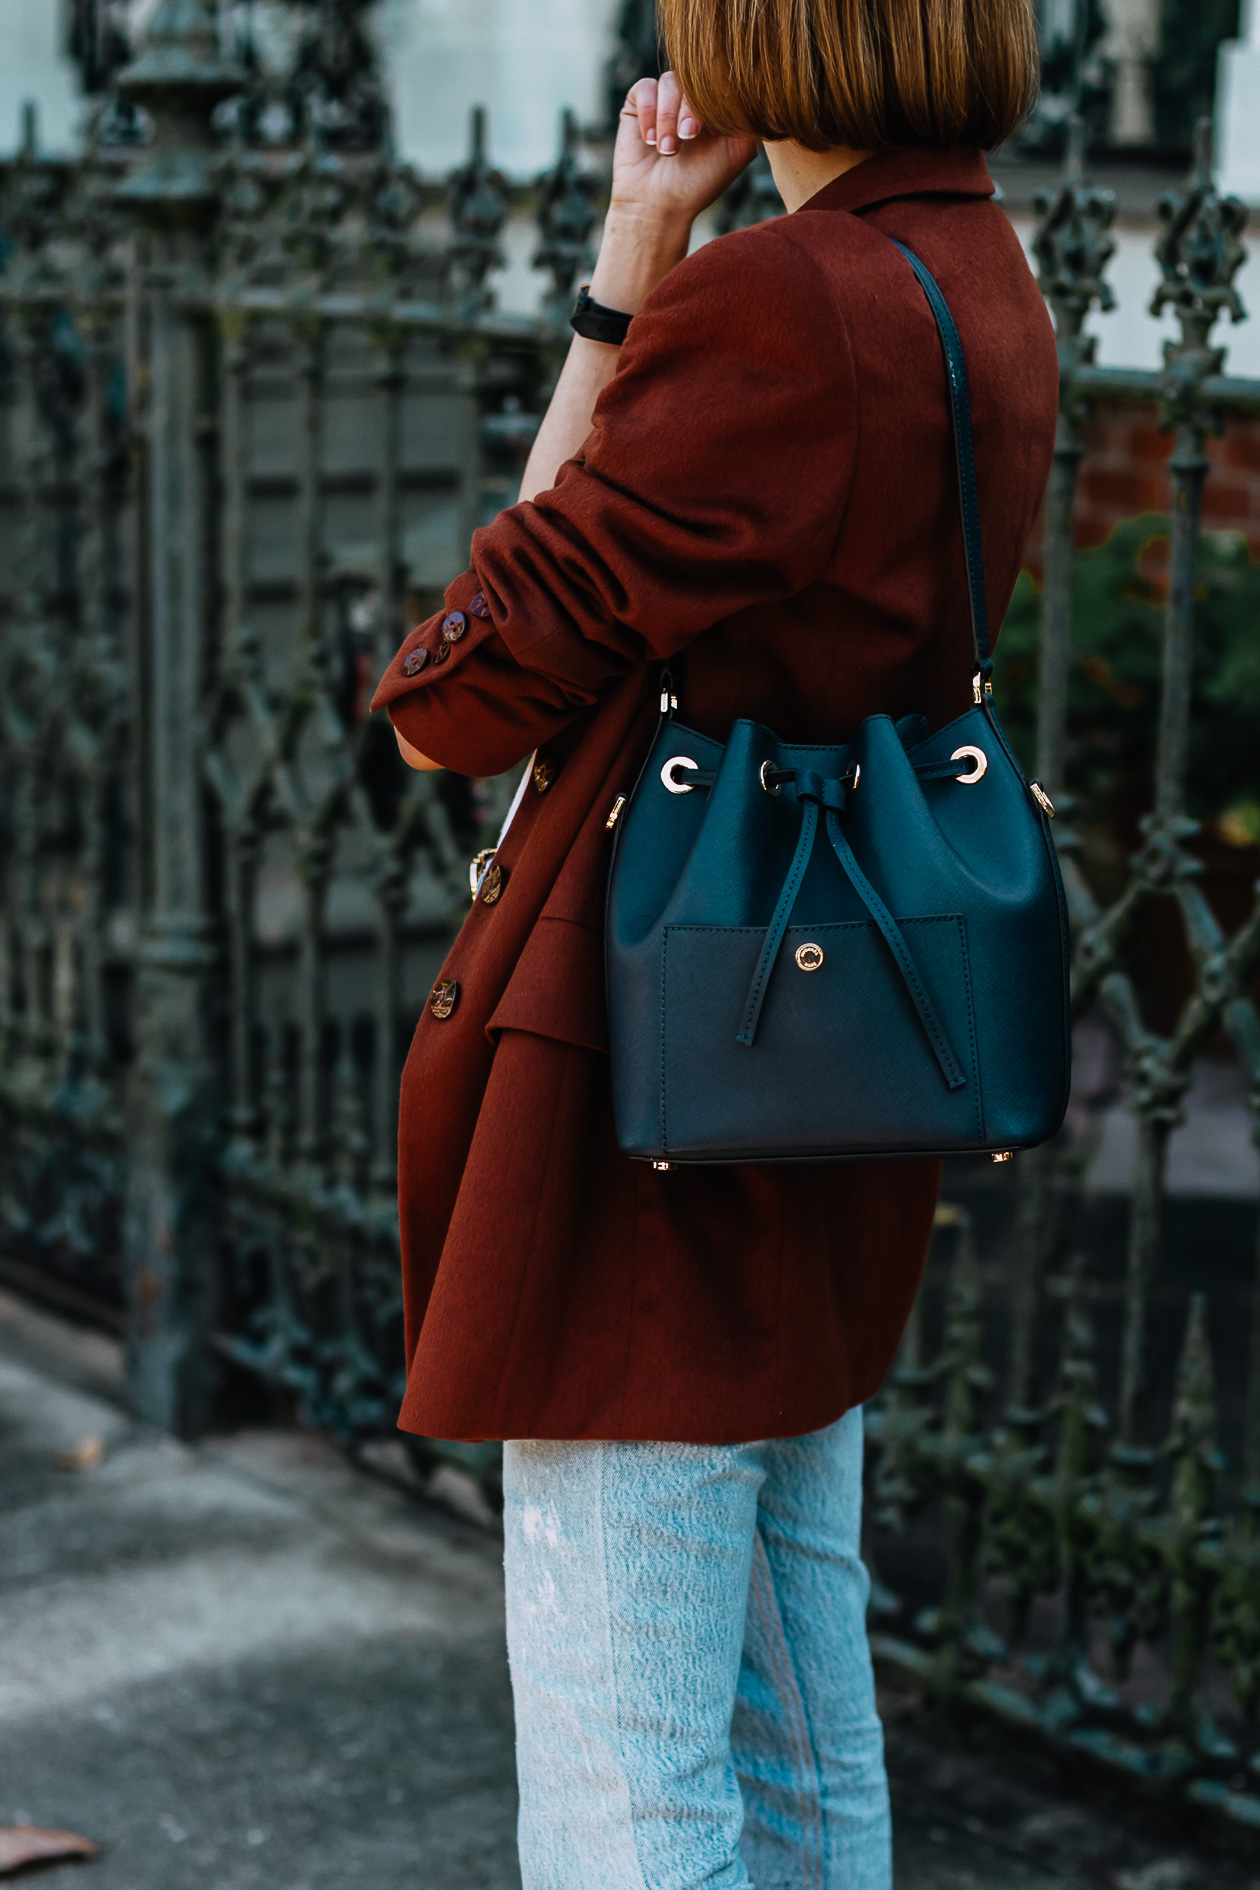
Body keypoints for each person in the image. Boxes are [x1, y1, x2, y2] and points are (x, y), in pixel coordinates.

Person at [372, 0, 1055, 1881]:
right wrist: (641, 250)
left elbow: (461, 692)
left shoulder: (788, 310)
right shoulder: (974, 274)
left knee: (629, 1768)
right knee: (794, 1720)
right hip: (826, 1059)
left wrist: (642, 275)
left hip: (658, 1096)